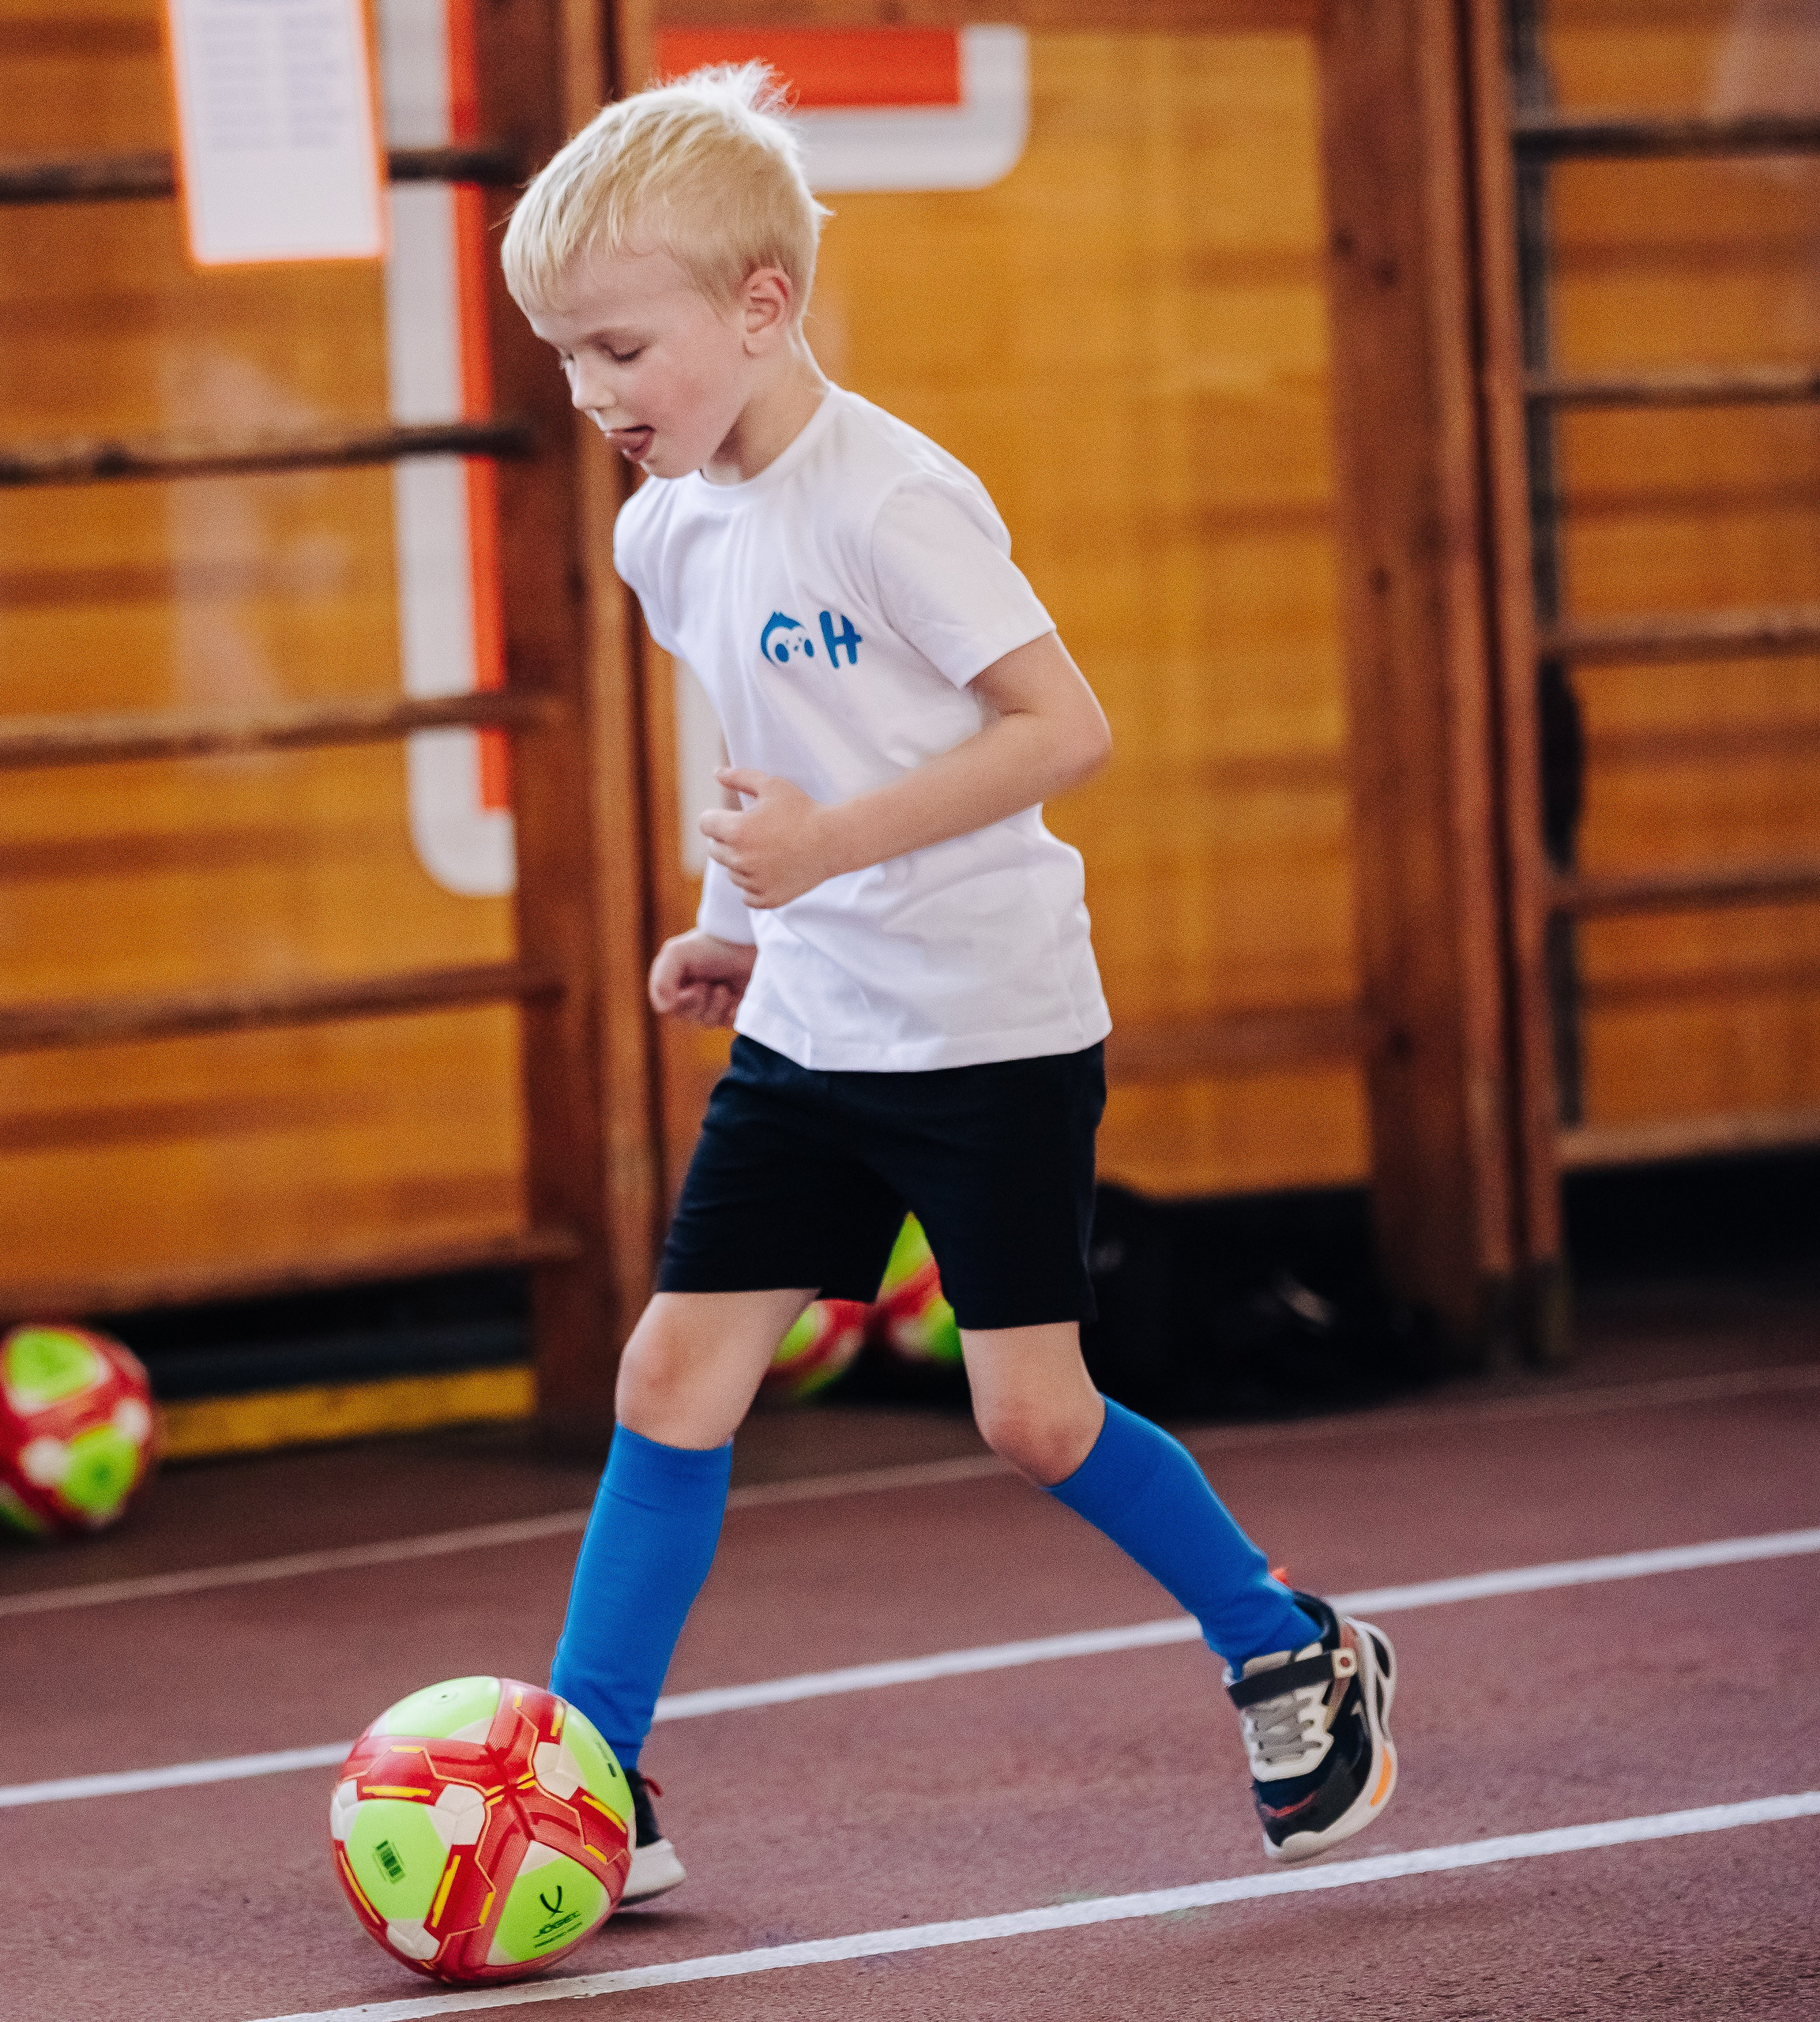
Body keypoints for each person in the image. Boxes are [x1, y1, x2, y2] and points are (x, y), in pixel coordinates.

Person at [497, 64, 1398, 1905]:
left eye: (614, 347)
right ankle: (592, 1775)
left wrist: (833, 853)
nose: (588, 396)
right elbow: (768, 751)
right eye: (562, 358)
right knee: (670, 1375)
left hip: (983, 1024)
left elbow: (1063, 727)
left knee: (1029, 1415)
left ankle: (1289, 1645)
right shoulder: (664, 527)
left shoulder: (891, 500)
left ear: (760, 308)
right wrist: (738, 916)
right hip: (810, 1019)